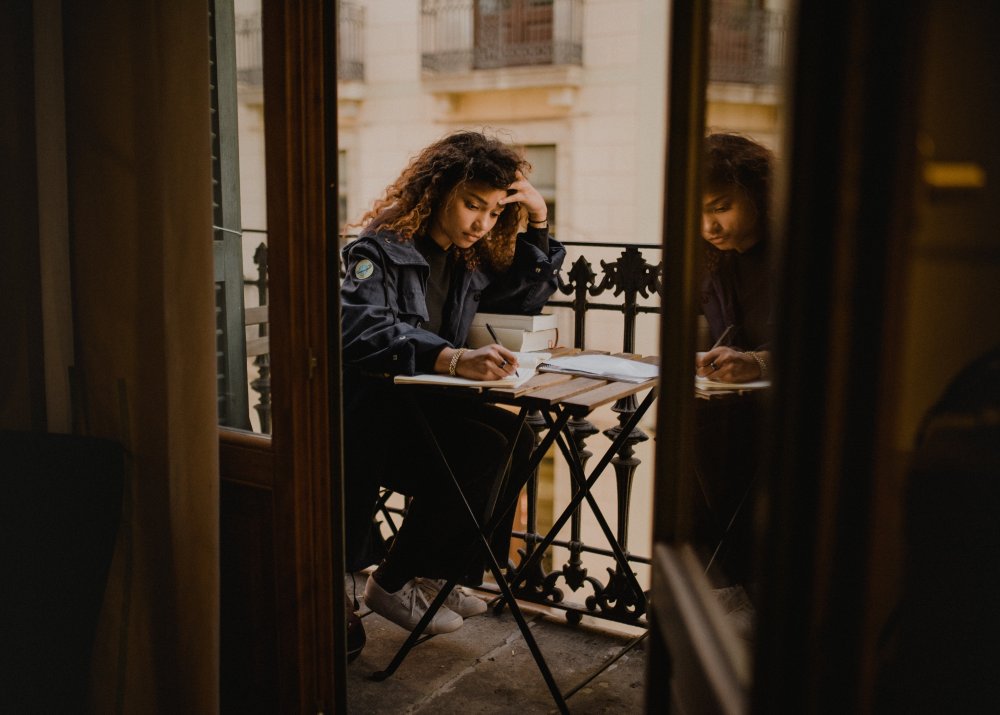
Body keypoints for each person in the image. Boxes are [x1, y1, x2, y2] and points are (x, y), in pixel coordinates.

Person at [339, 130, 566, 639]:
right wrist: (451, 356)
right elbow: (357, 327)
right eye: (472, 205)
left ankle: (436, 574)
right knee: (483, 448)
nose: (482, 224)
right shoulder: (379, 248)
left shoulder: (467, 260)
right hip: (371, 422)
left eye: (492, 213)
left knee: (521, 438)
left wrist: (539, 220)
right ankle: (393, 582)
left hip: (422, 411)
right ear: (438, 191)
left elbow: (523, 300)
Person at [694, 132, 775, 384]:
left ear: (758, 196)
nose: (709, 228)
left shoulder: (796, 254)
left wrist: (758, 363)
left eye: (720, 208)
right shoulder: (710, 261)